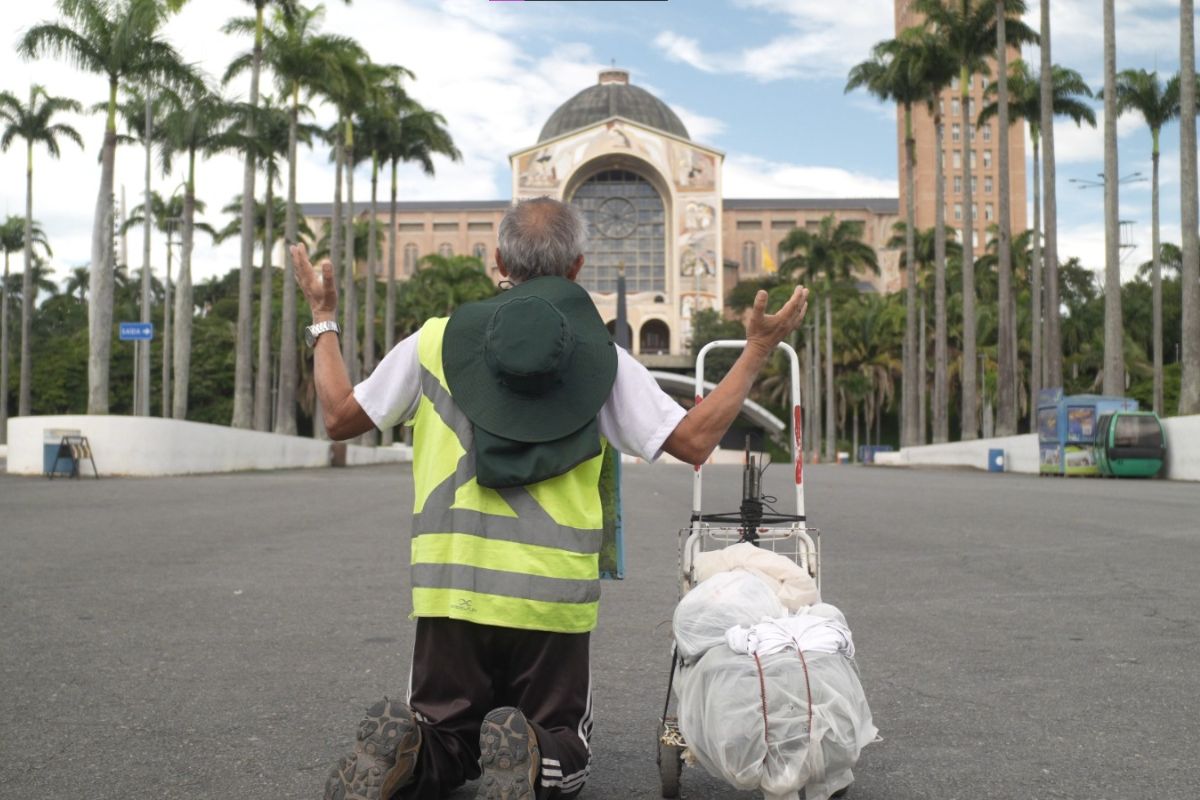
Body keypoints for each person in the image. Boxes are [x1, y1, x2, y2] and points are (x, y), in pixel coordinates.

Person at [292, 197, 809, 800]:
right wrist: (755, 351)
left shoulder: (432, 343)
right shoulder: (601, 360)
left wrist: (323, 317)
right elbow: (694, 441)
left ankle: (412, 753)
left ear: (497, 260)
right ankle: (535, 752)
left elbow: (338, 416)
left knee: (443, 731)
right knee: (565, 741)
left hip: (450, 590)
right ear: (577, 267)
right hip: (550, 596)